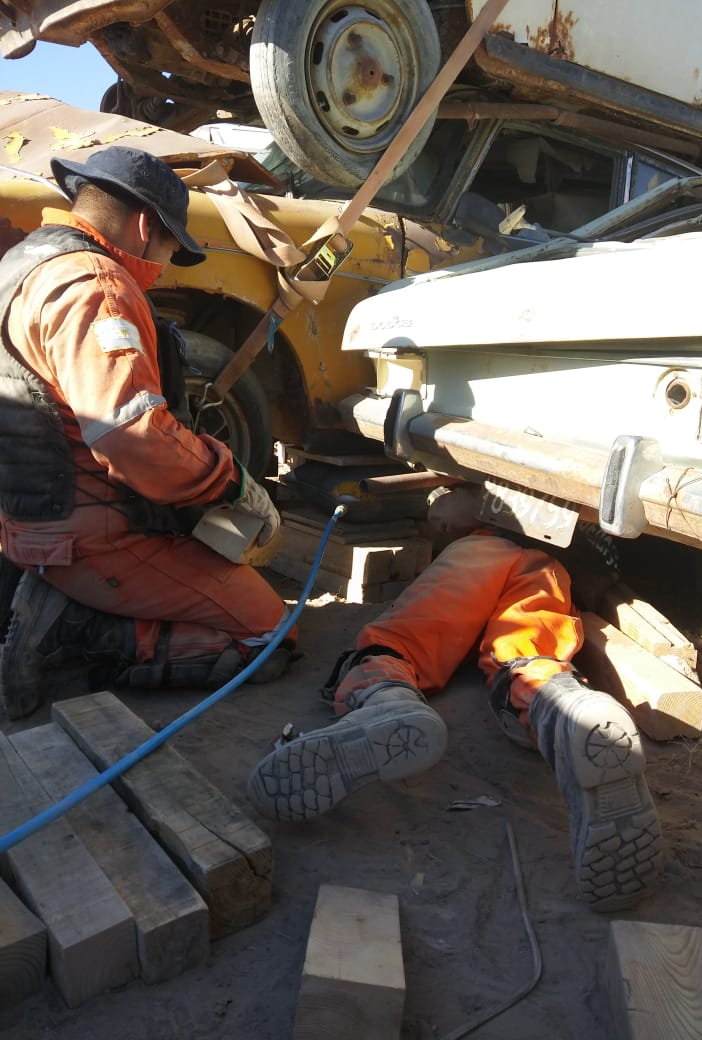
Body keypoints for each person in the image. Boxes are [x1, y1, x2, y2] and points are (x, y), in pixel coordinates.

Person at [248, 488, 663, 913]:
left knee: (395, 644)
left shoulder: (485, 493)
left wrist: (443, 505)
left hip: (485, 551)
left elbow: (448, 510)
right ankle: (563, 710)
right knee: (528, 656)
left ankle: (385, 698)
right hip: (551, 568)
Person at [0, 146, 291, 721]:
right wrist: (228, 480)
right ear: (144, 226)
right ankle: (72, 629)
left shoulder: (21, 266)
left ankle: (62, 600)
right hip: (92, 534)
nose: (160, 269)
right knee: (270, 636)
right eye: (167, 250)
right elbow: (134, 438)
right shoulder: (96, 285)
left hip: (25, 515)